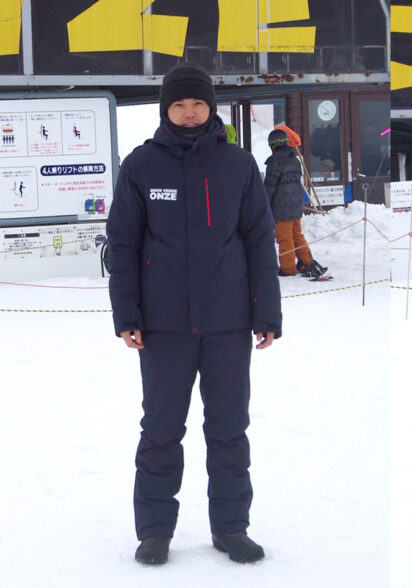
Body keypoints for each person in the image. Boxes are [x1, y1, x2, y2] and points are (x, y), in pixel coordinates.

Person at [107, 62, 282, 566]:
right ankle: (154, 531)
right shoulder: (141, 165)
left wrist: (266, 313)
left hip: (228, 323)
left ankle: (231, 528)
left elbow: (259, 241)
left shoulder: (238, 165)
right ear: (166, 110)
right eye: (180, 105)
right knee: (161, 429)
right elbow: (123, 244)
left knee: (229, 429)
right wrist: (127, 314)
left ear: (211, 108)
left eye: (198, 104)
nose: (189, 113)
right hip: (163, 327)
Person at [264, 129, 326, 278]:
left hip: (281, 207)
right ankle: (307, 261)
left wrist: (264, 204)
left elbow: (270, 186)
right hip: (295, 205)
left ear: (273, 144)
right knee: (297, 235)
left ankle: (287, 268)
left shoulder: (274, 161)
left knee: (284, 238)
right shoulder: (295, 160)